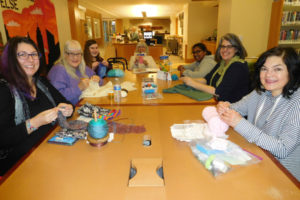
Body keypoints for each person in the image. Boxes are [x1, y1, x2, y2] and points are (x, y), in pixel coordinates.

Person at [217, 47, 300, 181]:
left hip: (283, 176)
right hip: (255, 160)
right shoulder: (260, 92)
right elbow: (236, 108)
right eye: (264, 69)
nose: (268, 75)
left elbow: (283, 149)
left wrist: (240, 123)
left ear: (292, 71)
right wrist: (225, 107)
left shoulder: (297, 102)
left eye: (277, 69)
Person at [0, 37, 73, 176]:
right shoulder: (4, 90)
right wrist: (35, 122)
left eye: (34, 54)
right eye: (22, 55)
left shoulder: (41, 82)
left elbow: (66, 103)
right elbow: (2, 140)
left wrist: (68, 109)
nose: (31, 59)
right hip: (21, 163)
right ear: (10, 59)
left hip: (53, 147)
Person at [181, 33, 250, 103]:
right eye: (223, 46)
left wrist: (193, 83)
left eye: (229, 47)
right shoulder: (222, 63)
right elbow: (206, 80)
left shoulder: (238, 66)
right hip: (217, 102)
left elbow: (219, 92)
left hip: (232, 108)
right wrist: (188, 79)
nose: (225, 50)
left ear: (236, 49)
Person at [48, 40, 102, 105]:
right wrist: (79, 88)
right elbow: (57, 97)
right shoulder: (58, 70)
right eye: (71, 54)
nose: (75, 57)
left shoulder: (82, 67)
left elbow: (99, 80)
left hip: (87, 105)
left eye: (78, 54)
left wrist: (98, 80)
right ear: (65, 54)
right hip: (69, 112)